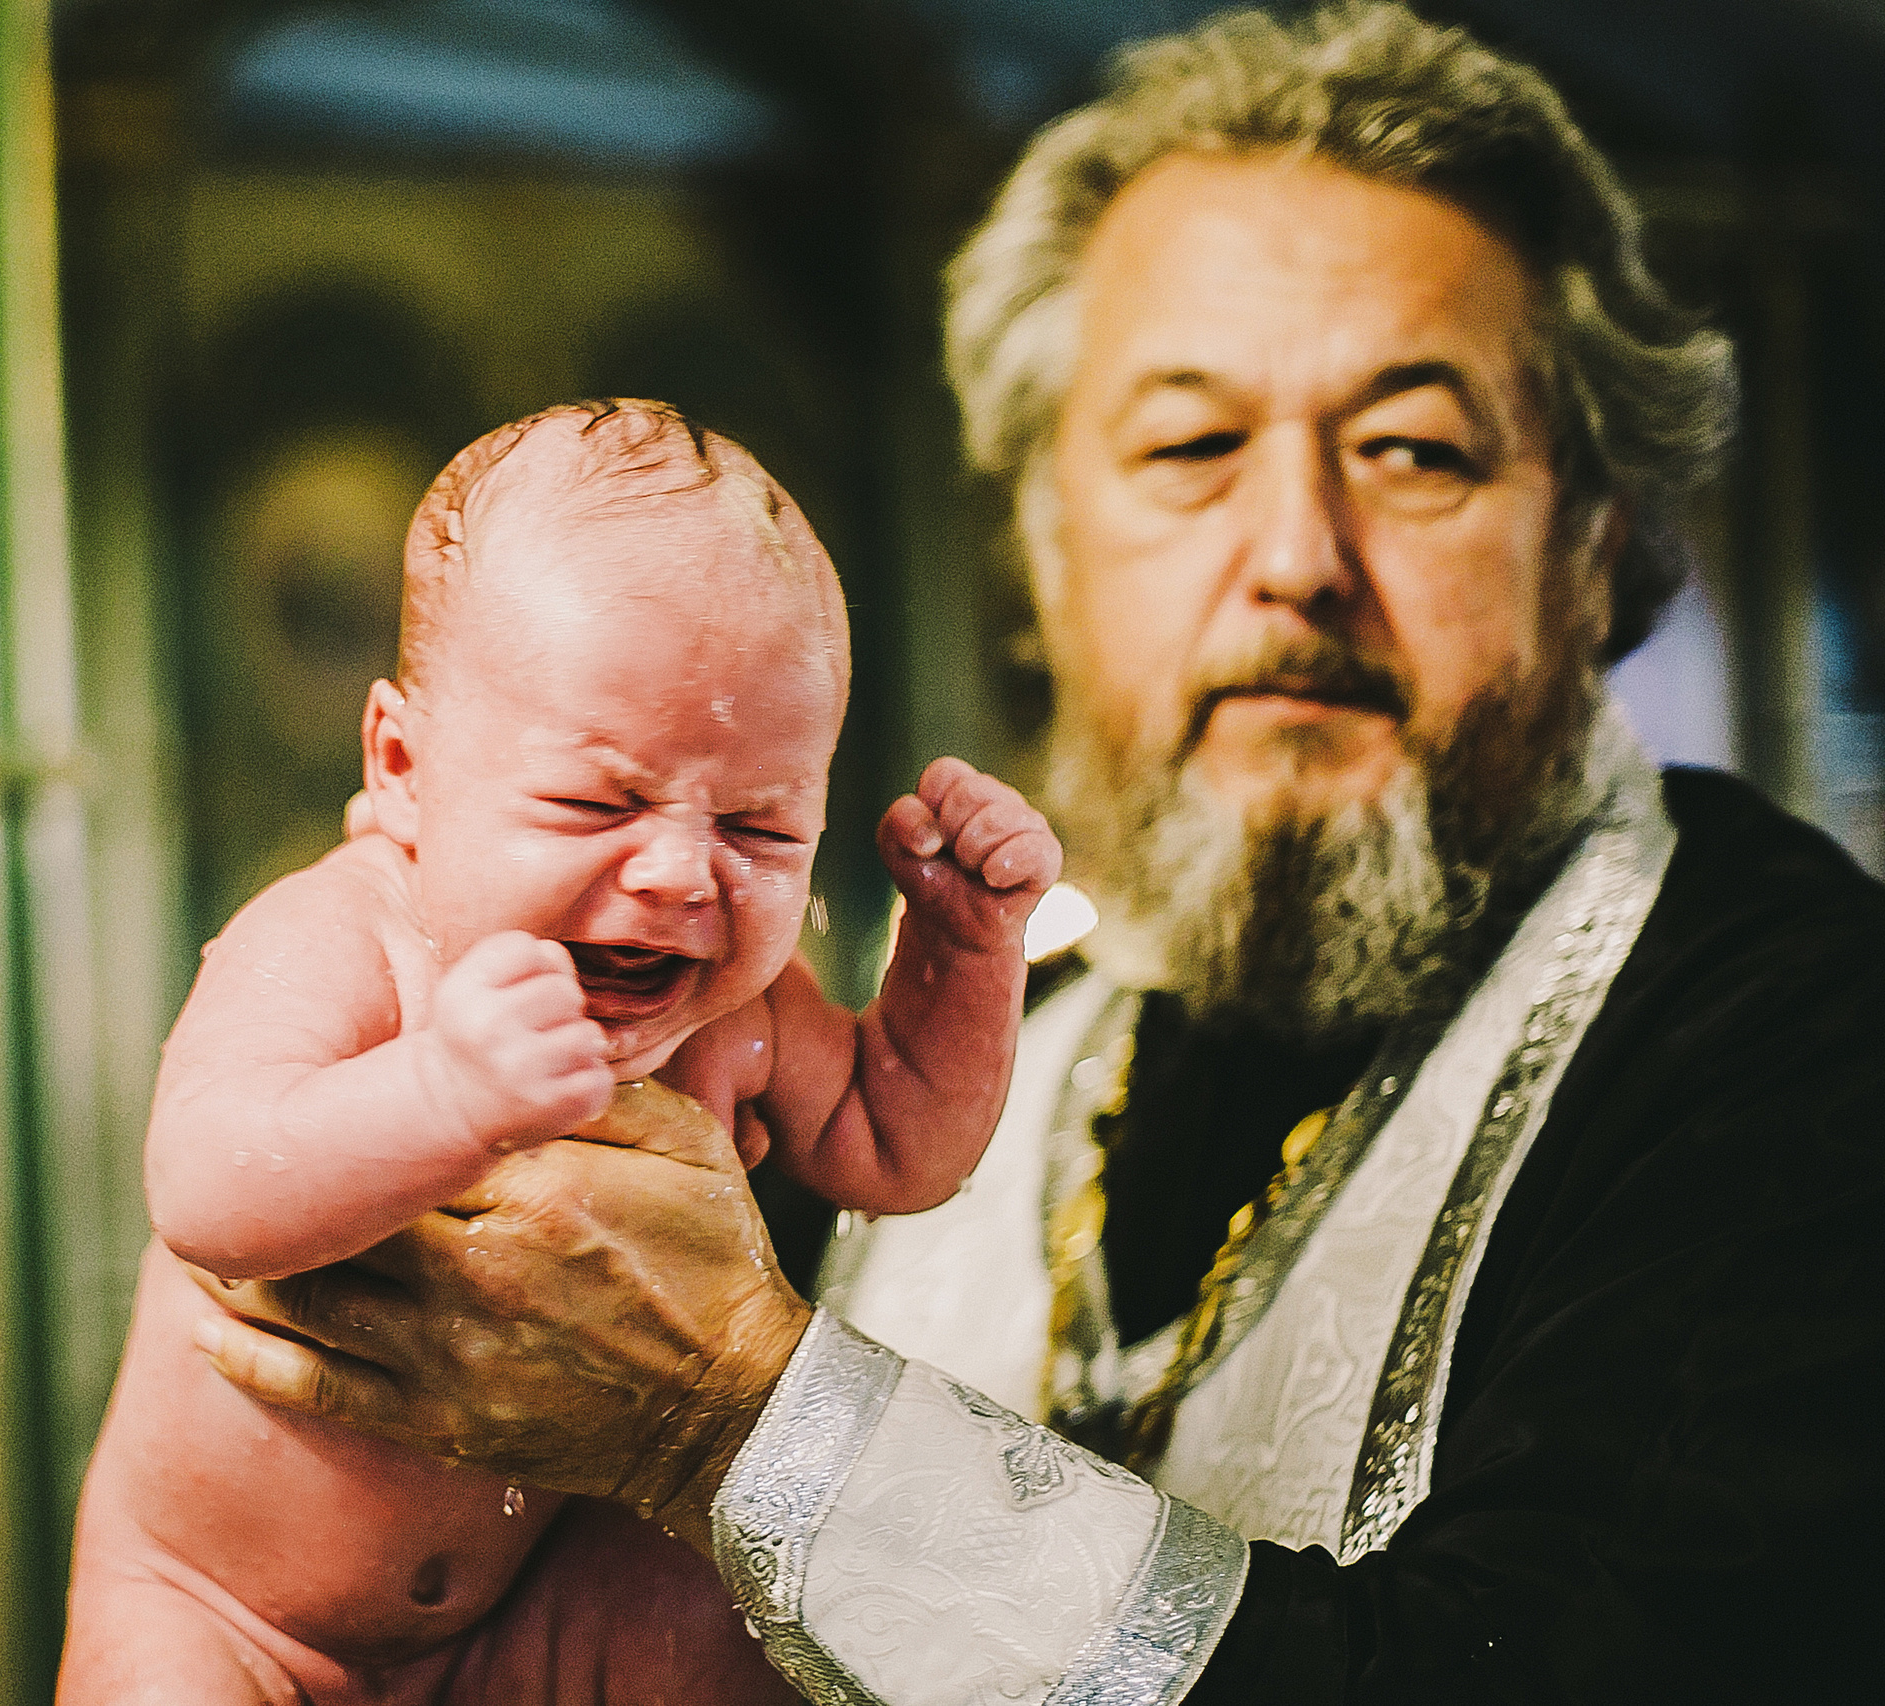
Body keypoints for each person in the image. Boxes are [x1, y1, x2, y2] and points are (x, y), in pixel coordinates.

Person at [188, 5, 1885, 1702]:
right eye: (1190, 447)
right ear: (1047, 554)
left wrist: (739, 1418)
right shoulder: (1013, 1013)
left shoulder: (1801, 1032)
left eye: (1415, 449)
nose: (1296, 553)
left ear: (1601, 542)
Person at [60, 398, 1060, 1703]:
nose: (679, 871)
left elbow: (896, 1141)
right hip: (224, 1612)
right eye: (598, 800)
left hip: (527, 1612)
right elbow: (204, 1188)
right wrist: (441, 1088)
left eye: (762, 828)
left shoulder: (739, 1001)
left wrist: (966, 955)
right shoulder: (348, 937)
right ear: (402, 763)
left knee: (733, 1621)